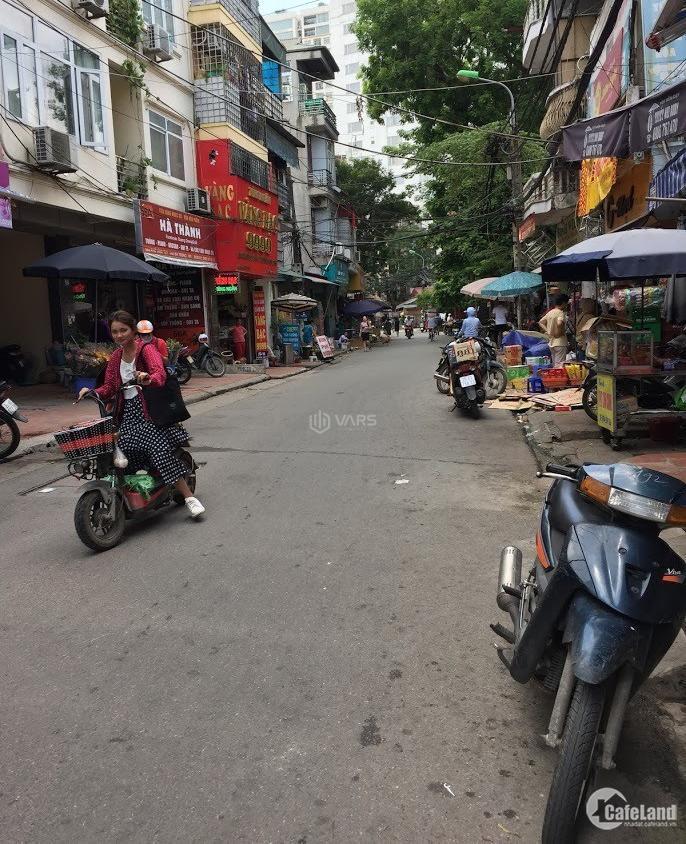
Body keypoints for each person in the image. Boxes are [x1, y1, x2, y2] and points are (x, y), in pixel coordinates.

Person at [76, 310, 204, 518]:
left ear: (133, 330)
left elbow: (159, 373)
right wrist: (91, 391)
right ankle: (134, 495)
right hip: (127, 413)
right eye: (115, 331)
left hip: (149, 411)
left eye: (123, 330)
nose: (119, 335)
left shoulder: (146, 349)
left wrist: (147, 378)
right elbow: (109, 386)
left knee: (159, 452)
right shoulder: (116, 357)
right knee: (120, 454)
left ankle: (189, 497)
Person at [539, 293, 569, 366]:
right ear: (563, 303)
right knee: (559, 365)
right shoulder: (560, 313)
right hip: (560, 342)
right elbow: (559, 323)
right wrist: (558, 333)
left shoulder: (550, 312)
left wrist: (548, 331)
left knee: (555, 364)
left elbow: (541, 322)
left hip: (551, 342)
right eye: (566, 303)